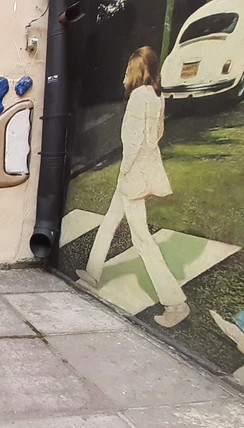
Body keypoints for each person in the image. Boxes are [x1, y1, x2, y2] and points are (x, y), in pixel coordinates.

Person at [76, 46, 189, 328]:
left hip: (133, 175)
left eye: (129, 69)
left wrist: (125, 170)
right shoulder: (157, 95)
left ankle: (175, 303)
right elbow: (158, 132)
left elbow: (133, 140)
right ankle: (92, 273)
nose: (126, 74)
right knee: (110, 220)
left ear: (137, 70)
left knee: (142, 239)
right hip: (144, 168)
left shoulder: (139, 96)